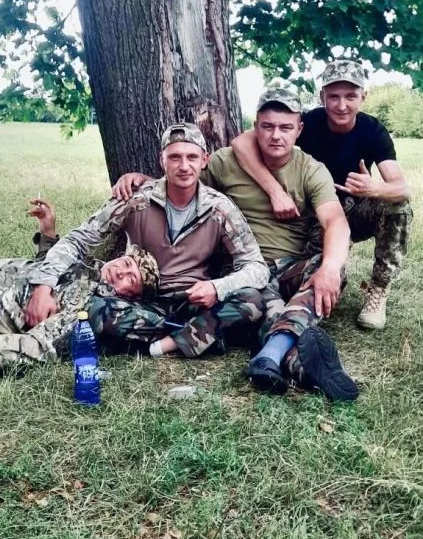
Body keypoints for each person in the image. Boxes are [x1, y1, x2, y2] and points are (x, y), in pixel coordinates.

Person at [113, 88, 358, 401]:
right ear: (255, 126)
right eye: (267, 127)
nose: (276, 136)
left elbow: (335, 220)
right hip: (240, 269)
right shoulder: (224, 162)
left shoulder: (310, 169)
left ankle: (269, 355)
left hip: (288, 266)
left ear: (299, 129)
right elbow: (183, 187)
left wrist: (331, 269)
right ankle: (294, 362)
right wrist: (142, 180)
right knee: (265, 305)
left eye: (285, 128)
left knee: (327, 268)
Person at [21, 124, 269, 363]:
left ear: (204, 160)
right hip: (137, 300)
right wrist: (43, 285)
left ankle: (163, 344)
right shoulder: (136, 199)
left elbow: (257, 267)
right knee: (95, 309)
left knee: (252, 300)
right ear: (162, 161)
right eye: (175, 157)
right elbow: (79, 239)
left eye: (192, 157)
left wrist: (217, 287)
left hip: (192, 301)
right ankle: (201, 337)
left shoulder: (220, 208)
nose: (184, 166)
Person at [231, 61, 412, 330]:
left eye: (350, 96)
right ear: (322, 96)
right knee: (322, 270)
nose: (342, 105)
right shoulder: (309, 123)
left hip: (357, 208)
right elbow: (241, 142)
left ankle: (379, 288)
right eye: (334, 96)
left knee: (398, 206)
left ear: (363, 96)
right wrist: (276, 191)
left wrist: (373, 188)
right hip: (317, 212)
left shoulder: (373, 130)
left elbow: (401, 188)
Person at [0, 199, 160, 377]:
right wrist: (48, 235)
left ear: (131, 297)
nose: (120, 273)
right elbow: (50, 271)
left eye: (130, 279)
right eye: (126, 263)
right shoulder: (87, 268)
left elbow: (34, 348)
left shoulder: (86, 306)